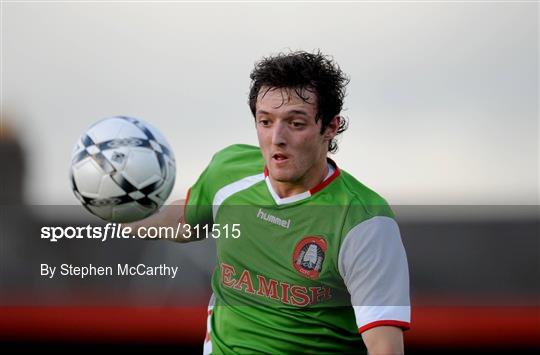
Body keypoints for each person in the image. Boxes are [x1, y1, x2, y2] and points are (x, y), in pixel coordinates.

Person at [130, 51, 410, 354]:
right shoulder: (228, 171)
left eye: (296, 123)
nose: (277, 137)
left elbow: (385, 348)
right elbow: (185, 221)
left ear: (329, 127)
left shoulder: (364, 222)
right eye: (265, 121)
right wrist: (124, 217)